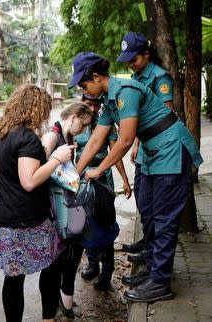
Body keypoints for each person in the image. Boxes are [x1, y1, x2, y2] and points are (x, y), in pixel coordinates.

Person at [68, 52, 203, 303]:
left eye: (84, 83)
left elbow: (126, 140)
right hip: (155, 152)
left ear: (96, 77)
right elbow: (96, 140)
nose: (83, 89)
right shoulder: (108, 101)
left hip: (171, 149)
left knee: (164, 218)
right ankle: (153, 270)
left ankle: (160, 282)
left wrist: (98, 170)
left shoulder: (125, 90)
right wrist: (73, 174)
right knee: (149, 213)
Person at [0, 87, 86, 322]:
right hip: (25, 221)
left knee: (13, 279)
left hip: (1, 218)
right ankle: (49, 318)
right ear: (36, 109)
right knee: (52, 265)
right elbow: (29, 181)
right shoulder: (26, 138)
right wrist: (58, 158)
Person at [117, 31, 175, 277]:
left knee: (158, 212)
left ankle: (154, 264)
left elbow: (164, 117)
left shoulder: (160, 78)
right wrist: (138, 146)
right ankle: (149, 250)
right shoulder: (135, 78)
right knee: (144, 204)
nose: (131, 63)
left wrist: (136, 142)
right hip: (145, 152)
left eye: (135, 58)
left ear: (147, 54)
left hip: (162, 152)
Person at [40, 102, 94, 319]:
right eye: (83, 123)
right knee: (53, 264)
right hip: (53, 211)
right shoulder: (52, 136)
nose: (83, 129)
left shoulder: (68, 137)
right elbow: (40, 171)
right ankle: (49, 311)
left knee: (69, 256)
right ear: (73, 116)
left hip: (66, 207)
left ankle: (64, 302)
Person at [74, 95, 132, 291]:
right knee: (85, 222)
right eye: (89, 103)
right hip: (82, 180)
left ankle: (107, 269)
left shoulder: (105, 122)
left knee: (104, 223)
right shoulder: (76, 123)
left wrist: (124, 179)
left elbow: (115, 152)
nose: (92, 107)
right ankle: (92, 263)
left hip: (103, 180)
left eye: (96, 104)